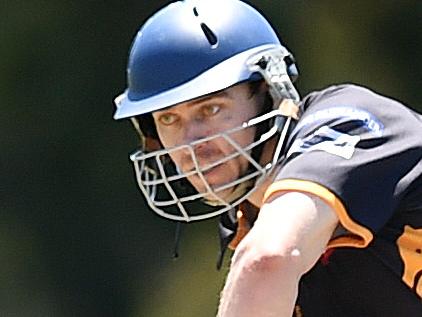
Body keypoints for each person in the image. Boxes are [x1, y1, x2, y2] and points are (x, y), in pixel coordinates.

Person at [113, 0, 422, 316]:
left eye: (210, 109)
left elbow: (268, 258)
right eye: (169, 120)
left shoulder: (350, 122)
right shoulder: (246, 220)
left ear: (270, 91)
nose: (191, 142)